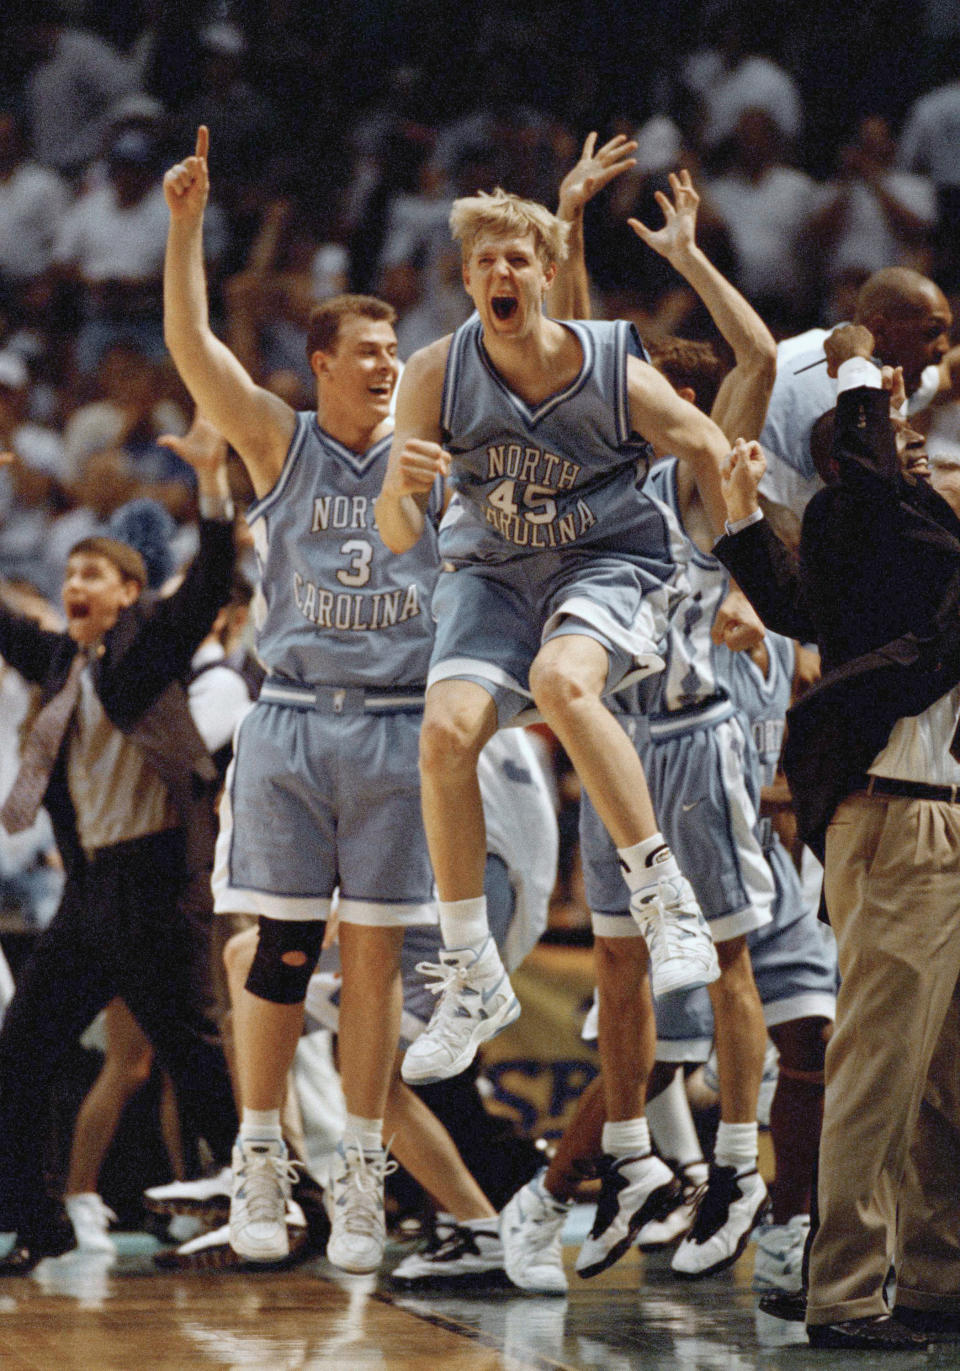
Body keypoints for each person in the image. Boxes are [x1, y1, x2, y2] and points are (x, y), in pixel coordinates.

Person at [376, 177, 762, 1095]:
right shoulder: (434, 372)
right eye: (484, 261)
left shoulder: (608, 364)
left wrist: (748, 575)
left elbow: (708, 447)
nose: (500, 271)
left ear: (546, 272)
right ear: (467, 280)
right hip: (491, 576)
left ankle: (663, 897)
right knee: (440, 735)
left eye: (517, 257)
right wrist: (398, 484)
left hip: (605, 563)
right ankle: (473, 975)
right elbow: (400, 536)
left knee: (563, 683)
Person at [163, 127, 443, 1276]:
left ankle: (366, 1169)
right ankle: (264, 1151)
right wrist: (187, 227)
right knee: (277, 948)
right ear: (321, 359)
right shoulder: (280, 441)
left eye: (395, 350)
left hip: (395, 725)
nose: (386, 364)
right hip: (291, 719)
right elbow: (190, 344)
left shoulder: (429, 452)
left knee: (372, 963)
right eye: (367, 350)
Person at [716, 325, 960, 1350]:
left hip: (935, 817)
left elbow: (787, 591)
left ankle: (937, 1275)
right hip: (899, 814)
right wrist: (862, 369)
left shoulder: (904, 568)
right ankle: (848, 1287)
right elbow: (866, 482)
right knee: (876, 1066)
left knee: (941, 1078)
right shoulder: (883, 531)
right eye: (917, 455)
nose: (934, 462)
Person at [0, 427, 239, 1273]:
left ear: (131, 590)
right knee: (19, 1052)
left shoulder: (152, 644)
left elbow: (212, 580)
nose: (73, 583)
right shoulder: (61, 659)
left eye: (93, 573)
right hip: (90, 892)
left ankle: (283, 1205)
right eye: (68, 574)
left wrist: (210, 481)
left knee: (198, 1066)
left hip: (158, 885)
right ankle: (42, 1220)